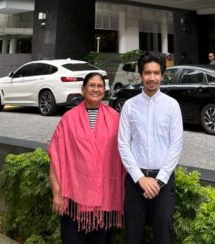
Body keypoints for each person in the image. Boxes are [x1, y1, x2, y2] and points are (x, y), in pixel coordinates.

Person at [48, 72, 125, 244]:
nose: (96, 89)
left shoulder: (115, 118)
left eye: (100, 86)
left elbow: (125, 154)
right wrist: (57, 193)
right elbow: (56, 157)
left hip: (104, 198)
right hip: (73, 199)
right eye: (92, 85)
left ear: (104, 91)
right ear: (83, 90)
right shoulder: (69, 118)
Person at [118, 53, 183, 244]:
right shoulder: (129, 106)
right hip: (135, 182)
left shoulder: (172, 106)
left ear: (162, 76)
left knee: (163, 236)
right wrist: (140, 178)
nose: (152, 78)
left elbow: (176, 144)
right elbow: (123, 144)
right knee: (133, 236)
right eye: (147, 73)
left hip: (163, 182)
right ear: (141, 76)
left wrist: (159, 181)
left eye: (156, 73)